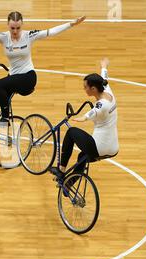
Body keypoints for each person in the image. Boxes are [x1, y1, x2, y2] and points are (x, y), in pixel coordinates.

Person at [0, 12, 86, 142]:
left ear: (22, 25)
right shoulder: (3, 37)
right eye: (12, 28)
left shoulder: (29, 35)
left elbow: (50, 32)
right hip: (13, 78)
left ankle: (5, 118)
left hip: (28, 78)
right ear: (8, 25)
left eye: (18, 28)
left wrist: (72, 23)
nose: (15, 31)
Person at [51, 58, 119, 186]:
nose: (84, 89)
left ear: (93, 88)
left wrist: (82, 118)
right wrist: (104, 66)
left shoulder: (101, 105)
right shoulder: (107, 90)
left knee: (71, 132)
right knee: (82, 156)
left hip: (99, 148)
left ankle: (61, 170)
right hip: (113, 147)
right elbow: (104, 78)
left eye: (85, 87)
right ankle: (69, 183)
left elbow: (92, 113)